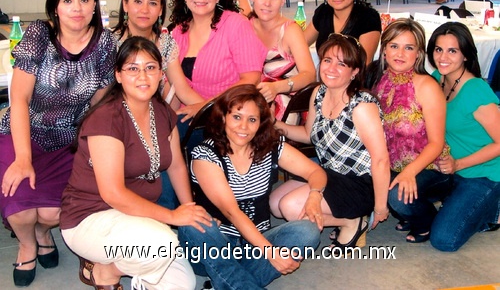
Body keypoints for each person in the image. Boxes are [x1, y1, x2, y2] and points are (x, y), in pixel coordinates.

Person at [60, 37, 212, 290]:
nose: (143, 76)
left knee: (181, 284)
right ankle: (104, 271)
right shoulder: (107, 118)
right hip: (90, 219)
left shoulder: (162, 111)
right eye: (132, 68)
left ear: (161, 74)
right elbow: (112, 194)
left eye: (150, 67)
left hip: (136, 216)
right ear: (118, 75)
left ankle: (134, 268)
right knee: (162, 246)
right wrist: (173, 215)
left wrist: (189, 209)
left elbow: (175, 166)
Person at [0, 0, 116, 287]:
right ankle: (27, 243)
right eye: (68, 0)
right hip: (25, 131)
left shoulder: (105, 43)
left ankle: (42, 234)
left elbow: (98, 103)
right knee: (21, 211)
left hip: (69, 139)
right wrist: (23, 158)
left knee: (52, 214)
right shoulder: (39, 34)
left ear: (95, 6)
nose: (77, 8)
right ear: (55, 7)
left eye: (84, 0)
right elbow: (20, 100)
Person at [178, 84, 326, 289]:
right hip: (216, 244)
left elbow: (315, 172)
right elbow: (231, 212)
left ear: (261, 123)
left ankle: (226, 279)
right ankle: (237, 279)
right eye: (236, 117)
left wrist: (315, 196)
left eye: (252, 120)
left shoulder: (271, 147)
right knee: (194, 224)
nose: (243, 127)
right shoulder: (206, 154)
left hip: (255, 243)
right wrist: (271, 253)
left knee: (307, 232)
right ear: (223, 118)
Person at [270, 34, 390, 250]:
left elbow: (381, 161)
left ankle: (353, 220)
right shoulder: (319, 92)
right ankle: (340, 215)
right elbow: (309, 134)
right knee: (275, 205)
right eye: (327, 60)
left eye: (342, 64)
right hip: (330, 173)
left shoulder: (362, 107)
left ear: (355, 72)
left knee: (289, 207)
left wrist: (380, 207)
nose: (331, 68)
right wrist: (275, 125)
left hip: (359, 184)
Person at [369, 18, 452, 243]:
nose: (400, 53)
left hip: (430, 167)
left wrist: (409, 172)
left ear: (419, 54)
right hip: (393, 164)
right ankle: (408, 210)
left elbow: (436, 143)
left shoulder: (427, 87)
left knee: (395, 195)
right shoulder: (380, 81)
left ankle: (427, 221)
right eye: (394, 46)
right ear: (384, 50)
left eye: (409, 47)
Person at [426, 21, 500, 251]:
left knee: (444, 240)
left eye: (452, 50)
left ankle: (493, 209)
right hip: (448, 168)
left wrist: (459, 163)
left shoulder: (476, 90)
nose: (443, 56)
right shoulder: (438, 78)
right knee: (400, 194)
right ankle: (456, 205)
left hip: (484, 174)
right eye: (438, 49)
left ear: (466, 55)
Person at [169, 0, 267, 122]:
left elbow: (251, 79)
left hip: (232, 117)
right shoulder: (178, 32)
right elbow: (176, 87)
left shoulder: (237, 25)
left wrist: (206, 107)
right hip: (190, 115)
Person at [112, 0, 203, 108]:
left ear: (160, 10)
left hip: (152, 115)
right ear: (125, 4)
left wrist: (217, 114)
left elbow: (183, 91)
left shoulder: (166, 43)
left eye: (153, 3)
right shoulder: (109, 42)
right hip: (115, 115)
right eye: (138, 1)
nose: (144, 10)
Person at [249, 0, 316, 120]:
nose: (267, 3)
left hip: (286, 102)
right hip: (250, 100)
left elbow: (309, 74)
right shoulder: (245, 26)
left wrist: (276, 87)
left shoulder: (291, 30)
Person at [304, 0, 381, 64]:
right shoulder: (323, 12)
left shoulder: (368, 18)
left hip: (355, 79)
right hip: (327, 76)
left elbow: (363, 66)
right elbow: (300, 44)